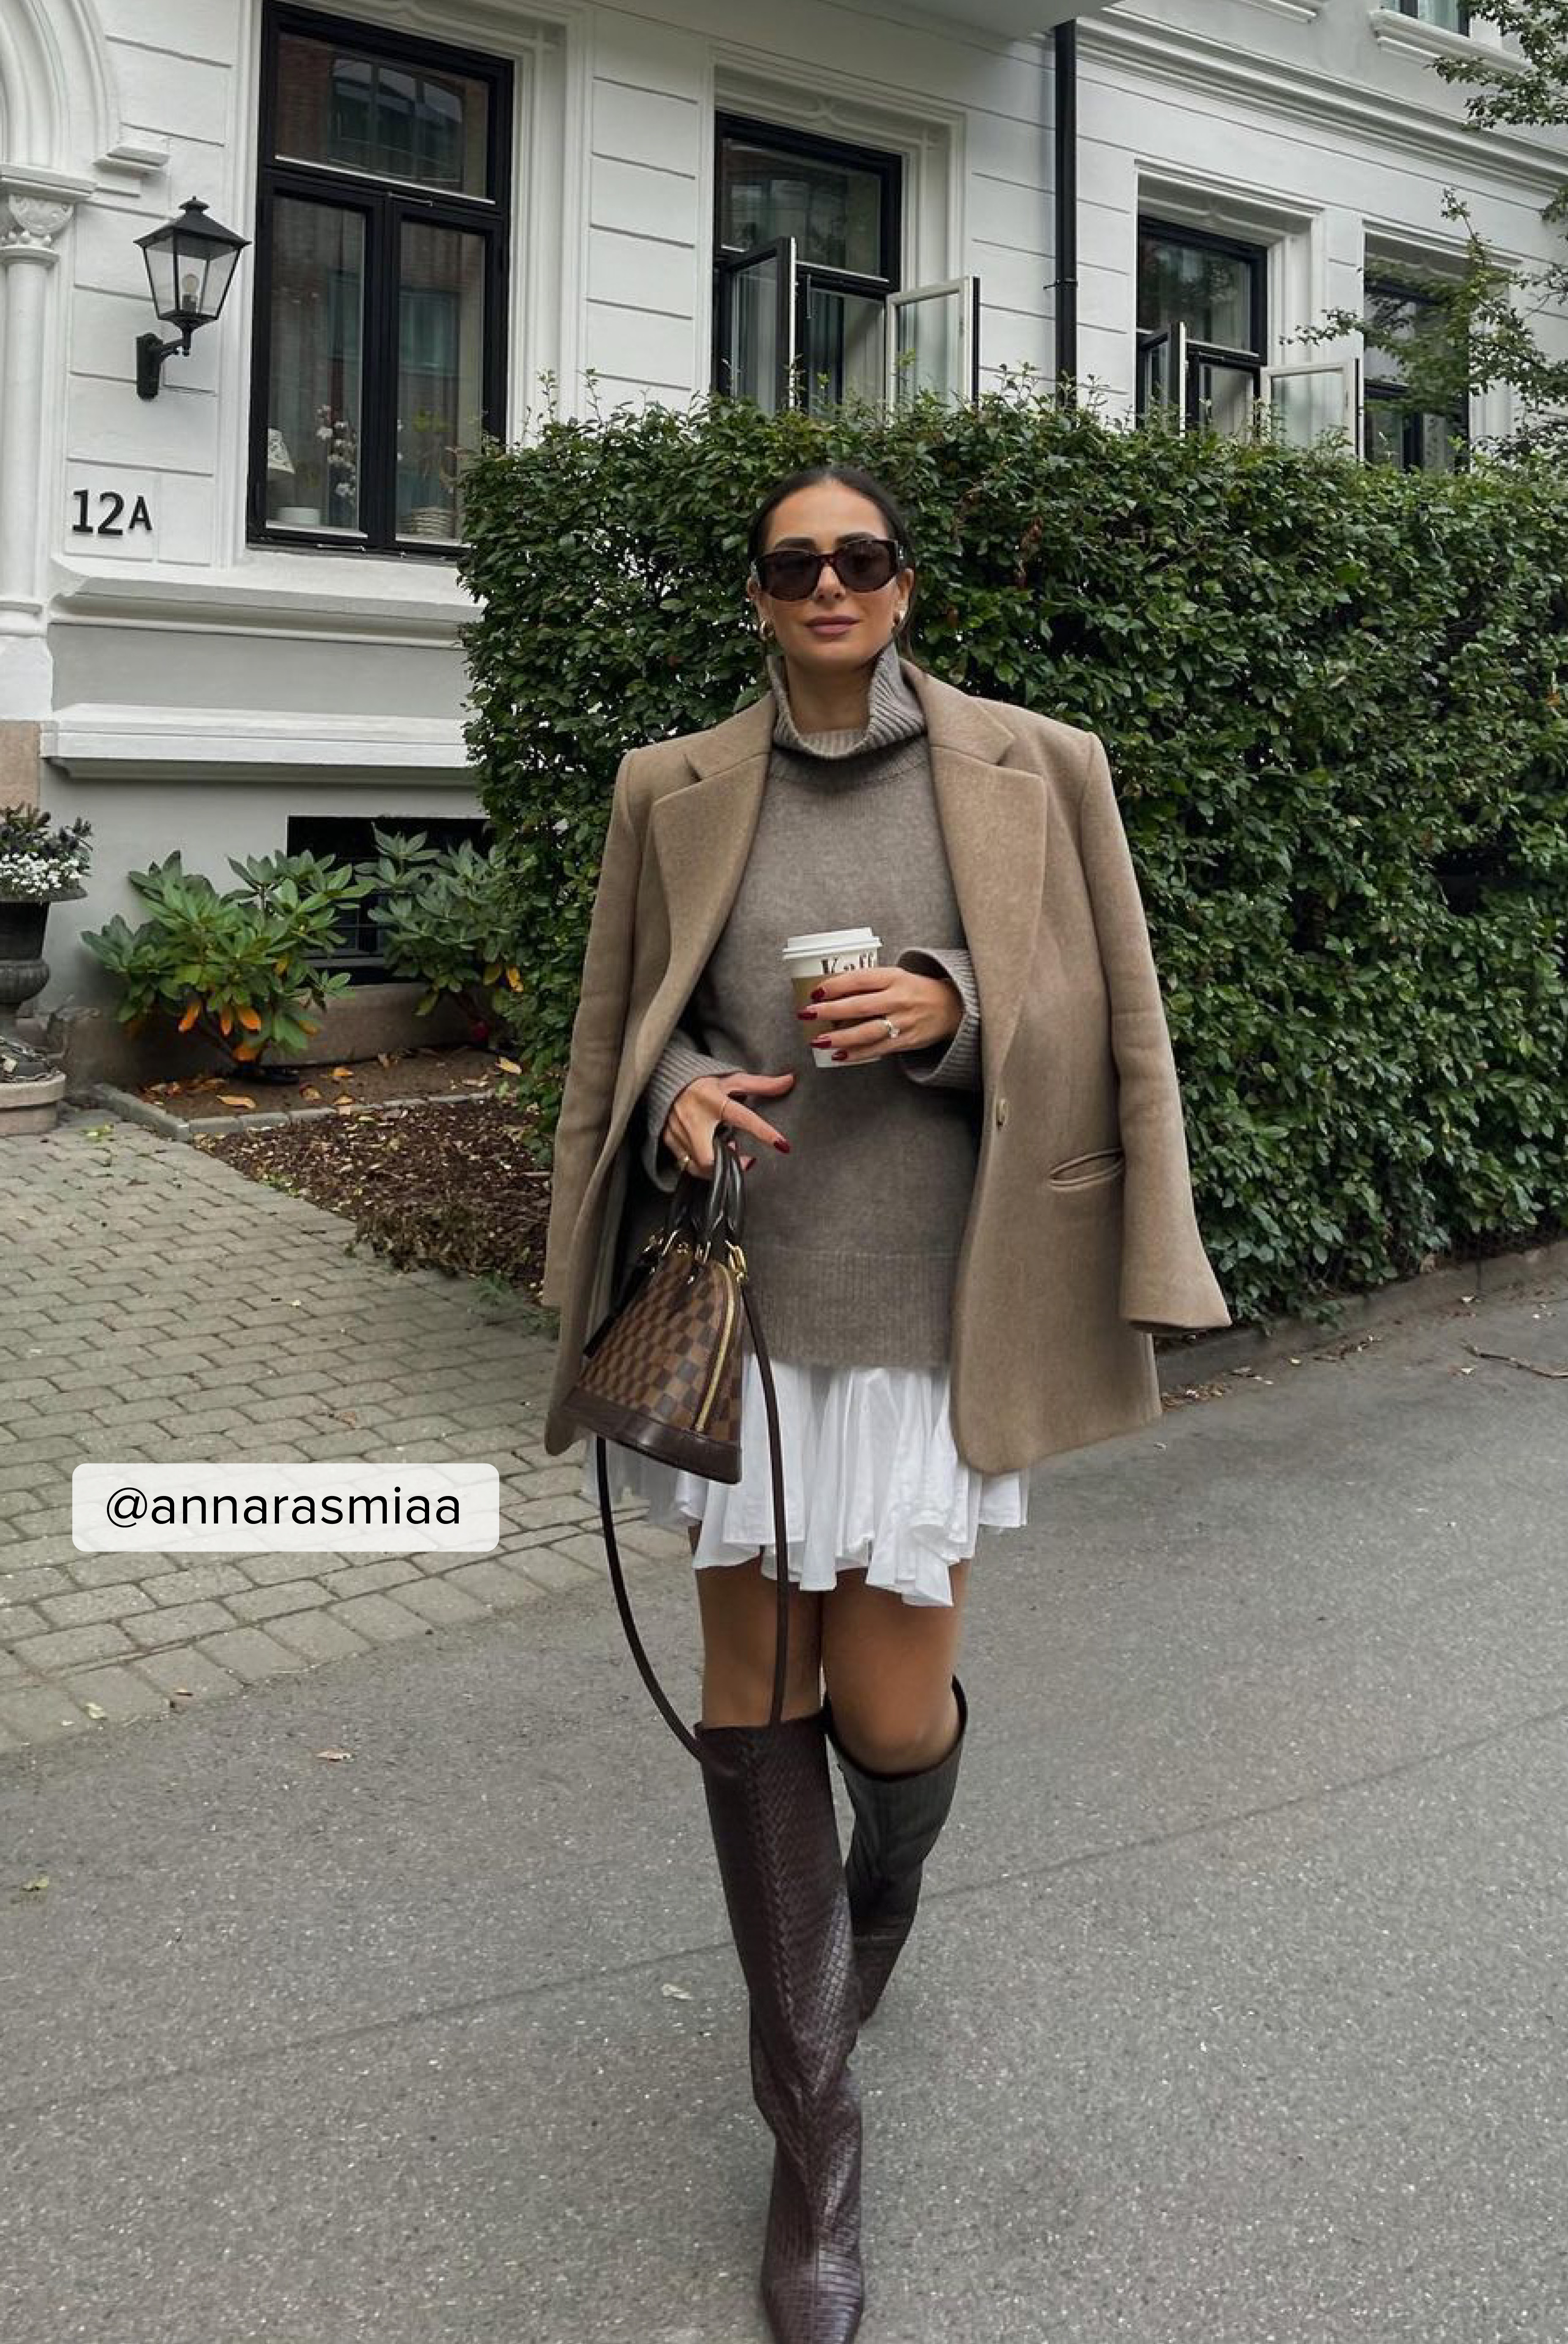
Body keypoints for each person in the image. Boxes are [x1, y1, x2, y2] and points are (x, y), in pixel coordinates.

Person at [539, 465, 1230, 2344]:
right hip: (741, 1304)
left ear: (904, 586)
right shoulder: (672, 784)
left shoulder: (1036, 766)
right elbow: (623, 1019)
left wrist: (950, 1006)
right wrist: (676, 1093)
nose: (827, 584)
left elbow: (1112, 1011)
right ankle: (815, 2144)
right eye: (794, 564)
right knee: (751, 1699)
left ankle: (884, 1892)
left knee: (887, 1705)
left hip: (941, 1310)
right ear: (759, 596)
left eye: (858, 558)